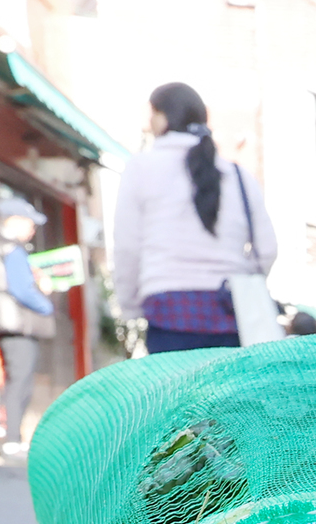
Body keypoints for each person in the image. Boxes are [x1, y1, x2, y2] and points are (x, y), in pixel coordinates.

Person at [112, 82, 277, 354]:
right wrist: (241, 280)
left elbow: (128, 247)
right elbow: (267, 249)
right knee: (227, 397)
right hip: (231, 311)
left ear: (162, 117)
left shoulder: (141, 168)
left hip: (168, 310)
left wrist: (130, 306)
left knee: (176, 396)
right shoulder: (238, 176)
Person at [0, 196, 55, 454]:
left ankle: (7, 434)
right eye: (30, 223)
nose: (32, 230)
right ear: (15, 221)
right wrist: (46, 303)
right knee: (21, 380)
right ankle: (13, 438)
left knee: (6, 377)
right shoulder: (11, 249)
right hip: (16, 322)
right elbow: (22, 289)